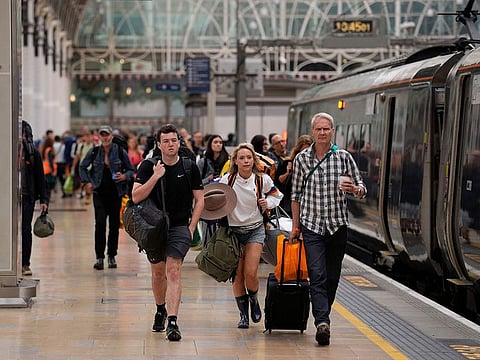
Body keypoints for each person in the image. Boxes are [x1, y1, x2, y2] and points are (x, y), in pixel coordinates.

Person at [289, 112, 366, 346]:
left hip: (337, 226)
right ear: (313, 132)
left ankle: (324, 313)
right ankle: (322, 322)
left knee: (332, 277)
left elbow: (361, 187)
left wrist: (354, 189)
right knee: (317, 275)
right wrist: (295, 227)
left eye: (326, 129)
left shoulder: (343, 157)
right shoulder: (302, 159)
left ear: (333, 131)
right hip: (311, 225)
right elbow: (295, 196)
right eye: (318, 129)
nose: (322, 133)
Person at [132, 124, 204, 341]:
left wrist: (192, 227)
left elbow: (200, 199)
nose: (171, 144)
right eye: (166, 141)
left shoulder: (190, 167)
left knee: (173, 270)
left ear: (179, 142)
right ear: (159, 144)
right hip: (154, 227)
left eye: (174, 140)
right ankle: (160, 309)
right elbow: (135, 197)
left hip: (180, 225)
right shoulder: (148, 166)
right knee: (158, 272)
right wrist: (155, 177)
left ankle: (172, 321)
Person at [219, 143, 283, 329]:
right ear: (235, 161)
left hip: (255, 229)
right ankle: (243, 315)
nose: (246, 161)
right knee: (237, 276)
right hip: (233, 232)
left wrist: (267, 202)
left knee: (250, 272)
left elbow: (277, 196)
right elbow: (212, 196)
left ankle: (254, 298)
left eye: (249, 157)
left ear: (253, 160)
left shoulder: (262, 180)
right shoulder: (227, 180)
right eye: (242, 158)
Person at [79, 125, 135, 270]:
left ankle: (111, 255)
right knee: (100, 223)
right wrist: (87, 182)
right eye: (102, 135)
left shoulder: (119, 151)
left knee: (114, 225)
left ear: (111, 136)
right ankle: (99, 257)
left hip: (116, 193)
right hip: (99, 193)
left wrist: (124, 176)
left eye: (107, 135)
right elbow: (82, 167)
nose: (105, 137)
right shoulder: (94, 152)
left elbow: (131, 169)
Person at [21, 120, 49, 276]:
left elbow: (40, 177)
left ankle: (25, 263)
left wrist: (44, 200)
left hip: (27, 196)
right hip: (9, 198)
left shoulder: (32, 153)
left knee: (25, 229)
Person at [275, 134, 314, 215]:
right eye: (303, 150)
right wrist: (288, 172)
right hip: (289, 202)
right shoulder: (288, 162)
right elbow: (278, 181)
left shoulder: (315, 163)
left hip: (308, 202)